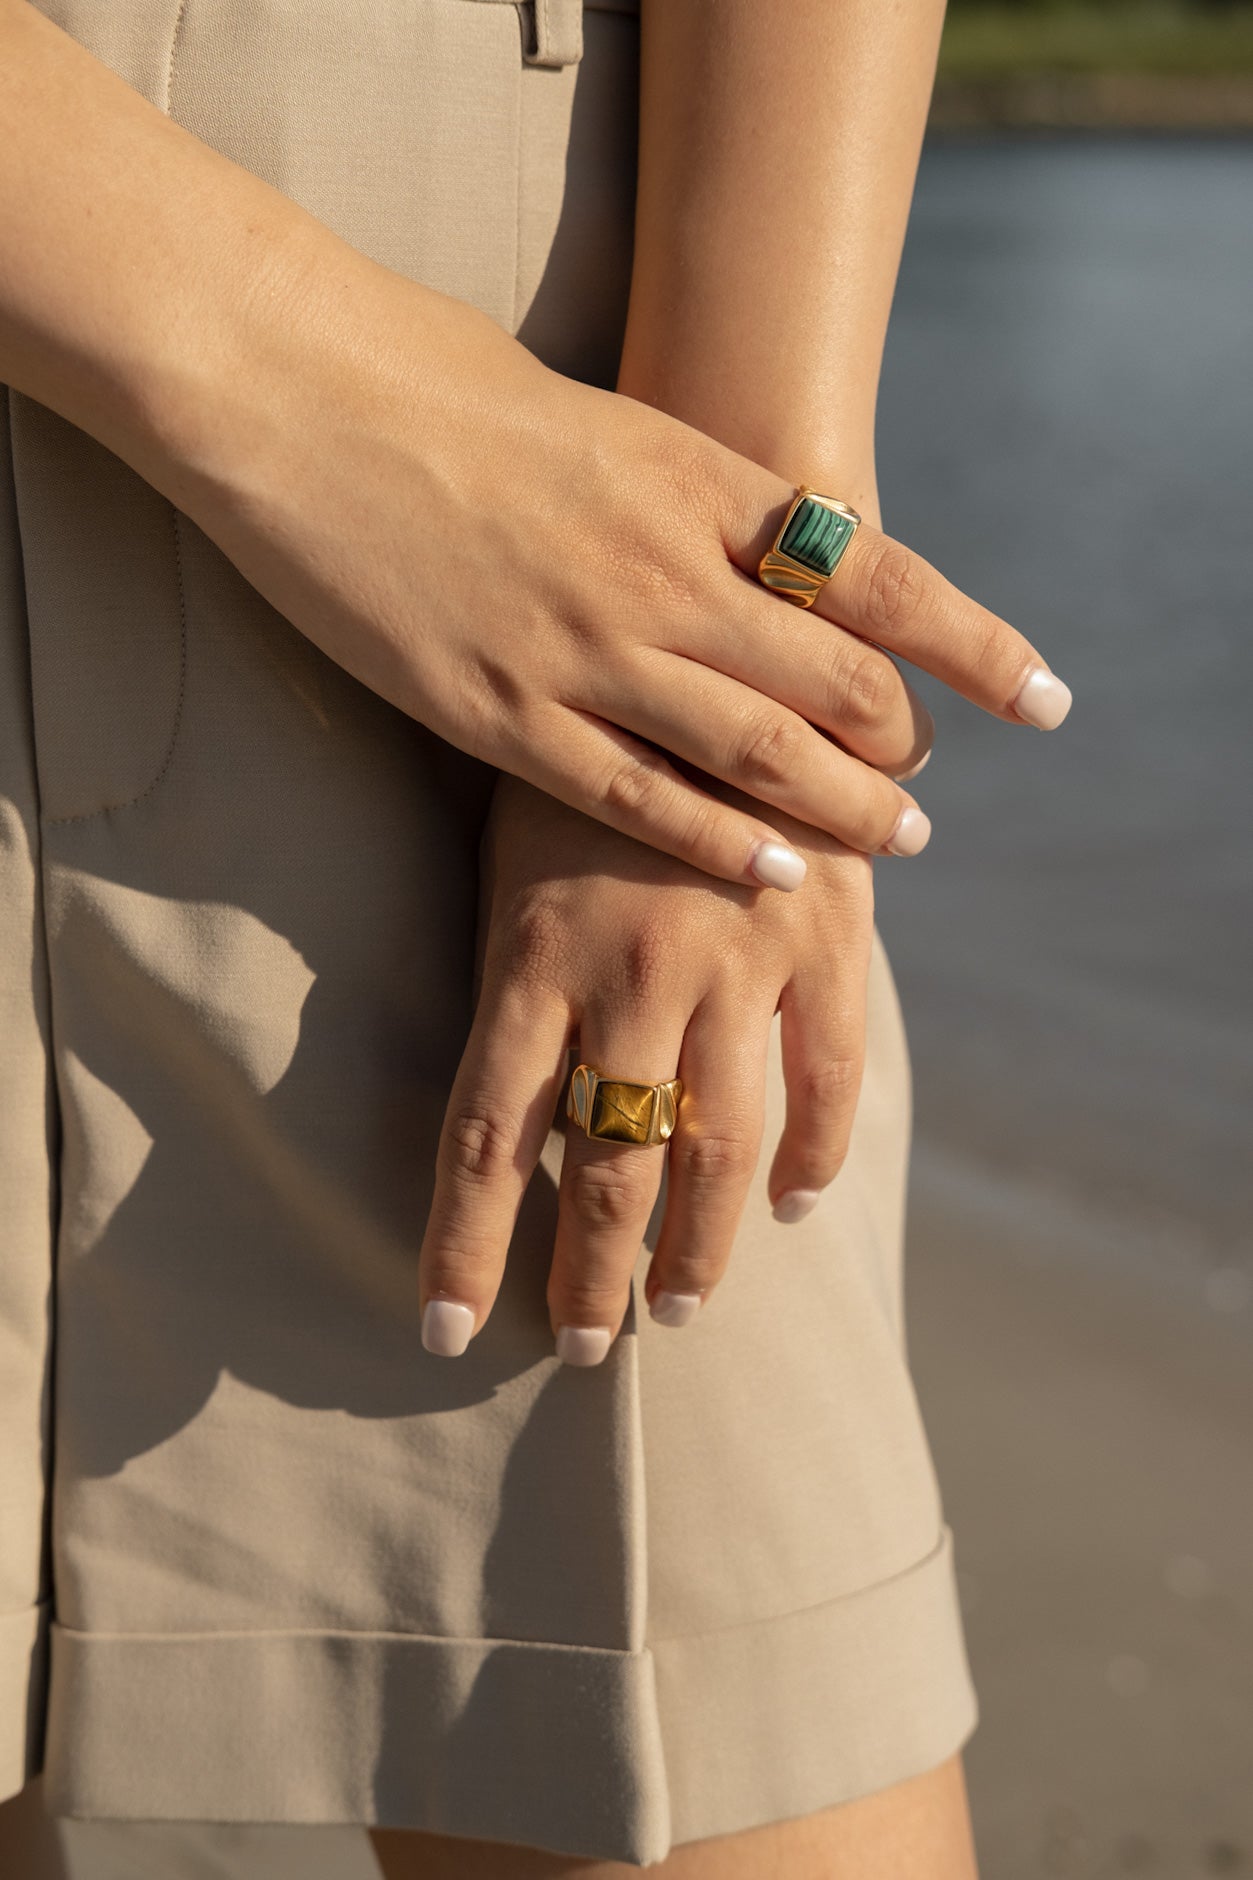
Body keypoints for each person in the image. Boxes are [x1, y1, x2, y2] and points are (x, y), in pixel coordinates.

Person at [0, 0, 1071, 1874]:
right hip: (443, 434)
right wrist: (328, 401)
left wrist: (729, 585)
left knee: (716, 1726)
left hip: (553, 385)